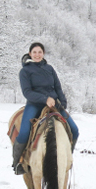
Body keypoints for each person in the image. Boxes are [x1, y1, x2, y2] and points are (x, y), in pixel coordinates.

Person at [12, 42, 79, 175]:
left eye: (40, 52)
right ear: (30, 54)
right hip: (35, 104)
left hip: (54, 104)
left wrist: (63, 103)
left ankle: (66, 158)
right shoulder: (25, 71)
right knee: (24, 132)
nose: (37, 55)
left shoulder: (50, 69)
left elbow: (58, 87)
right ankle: (18, 162)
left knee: (74, 130)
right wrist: (44, 99)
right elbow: (27, 92)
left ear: (43, 54)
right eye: (35, 52)